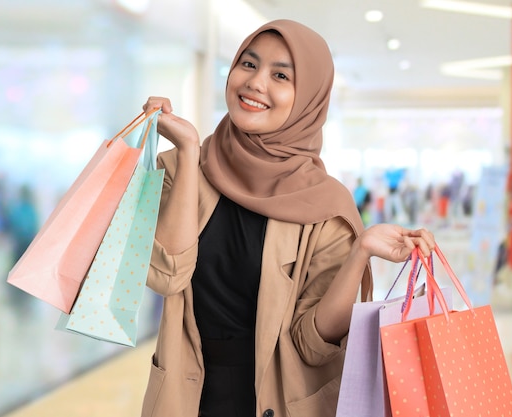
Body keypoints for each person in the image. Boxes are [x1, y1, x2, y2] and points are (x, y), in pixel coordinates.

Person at [140, 19, 435, 417]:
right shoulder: (181, 166)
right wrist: (190, 150)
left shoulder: (325, 204)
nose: (256, 83)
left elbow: (312, 344)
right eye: (248, 64)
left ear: (308, 98)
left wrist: (360, 253)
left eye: (281, 75)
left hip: (280, 401)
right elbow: (165, 275)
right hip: (184, 396)